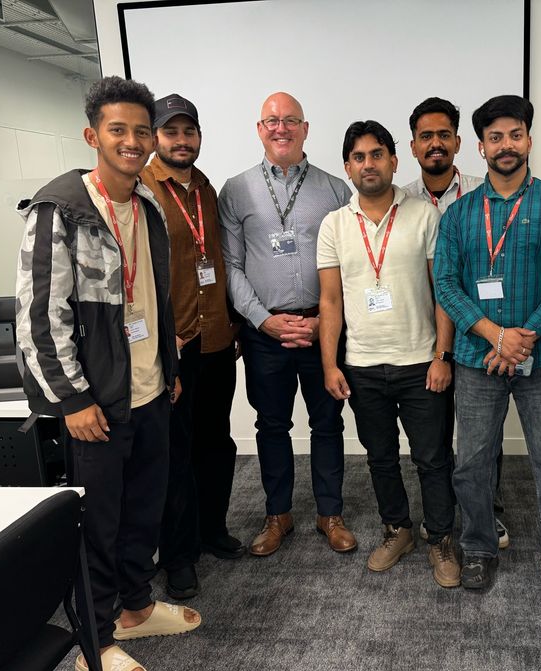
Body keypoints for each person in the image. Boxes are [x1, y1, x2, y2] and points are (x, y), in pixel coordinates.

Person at [16, 76, 199, 671]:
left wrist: (168, 371)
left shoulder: (146, 206)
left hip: (148, 389)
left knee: (142, 512)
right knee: (98, 523)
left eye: (141, 131)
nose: (132, 141)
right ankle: (94, 642)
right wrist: (71, 398)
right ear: (92, 135)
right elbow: (41, 316)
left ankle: (135, 609)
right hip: (95, 403)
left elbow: (154, 302)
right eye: (117, 130)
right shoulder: (60, 208)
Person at [433, 95, 541, 598]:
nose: (506, 145)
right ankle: (478, 548)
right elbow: (446, 283)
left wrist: (522, 339)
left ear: (530, 140)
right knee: (472, 463)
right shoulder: (459, 214)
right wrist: (494, 335)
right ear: (480, 147)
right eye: (495, 137)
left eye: (514, 135)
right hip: (479, 360)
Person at [318, 120, 459, 586]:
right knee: (380, 457)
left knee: (432, 458)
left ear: (394, 161)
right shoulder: (335, 224)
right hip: (362, 365)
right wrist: (330, 364)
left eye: (376, 154)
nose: (368, 164)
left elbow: (443, 292)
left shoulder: (423, 215)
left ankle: (439, 537)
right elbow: (331, 301)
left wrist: (443, 354)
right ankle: (397, 529)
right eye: (358, 157)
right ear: (348, 167)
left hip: (420, 362)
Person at [219, 92, 357, 556]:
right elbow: (230, 266)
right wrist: (262, 320)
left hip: (323, 329)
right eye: (272, 121)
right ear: (260, 129)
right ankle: (277, 516)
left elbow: (350, 265)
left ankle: (329, 513)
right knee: (271, 425)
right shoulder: (235, 190)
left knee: (328, 423)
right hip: (265, 335)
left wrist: (325, 321)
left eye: (290, 120)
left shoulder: (336, 190)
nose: (281, 128)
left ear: (305, 128)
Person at [140, 94, 243, 601]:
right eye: (172, 132)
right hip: (175, 343)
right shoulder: (144, 189)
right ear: (157, 137)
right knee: (175, 454)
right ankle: (178, 555)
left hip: (217, 339)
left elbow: (216, 260)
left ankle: (211, 530)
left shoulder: (205, 188)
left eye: (190, 132)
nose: (182, 141)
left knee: (215, 441)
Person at [402, 96, 509, 551]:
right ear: (412, 146)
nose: (436, 144)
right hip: (422, 334)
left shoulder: (479, 192)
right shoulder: (402, 199)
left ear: (460, 142)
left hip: (477, 329)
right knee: (435, 433)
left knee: (481, 434)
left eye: (444, 135)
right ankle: (444, 512)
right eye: (426, 136)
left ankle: (487, 509)